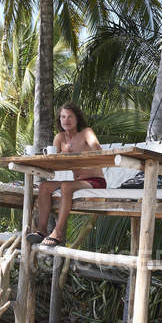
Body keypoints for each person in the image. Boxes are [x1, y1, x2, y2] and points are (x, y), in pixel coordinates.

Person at [26, 103, 106, 247]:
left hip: (95, 181)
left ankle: (58, 231)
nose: (66, 120)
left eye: (70, 117)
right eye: (63, 117)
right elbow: (52, 164)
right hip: (76, 182)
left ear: (77, 119)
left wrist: (83, 153)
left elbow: (98, 150)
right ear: (59, 119)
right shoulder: (60, 138)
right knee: (44, 186)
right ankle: (41, 230)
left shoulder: (86, 132)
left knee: (66, 186)